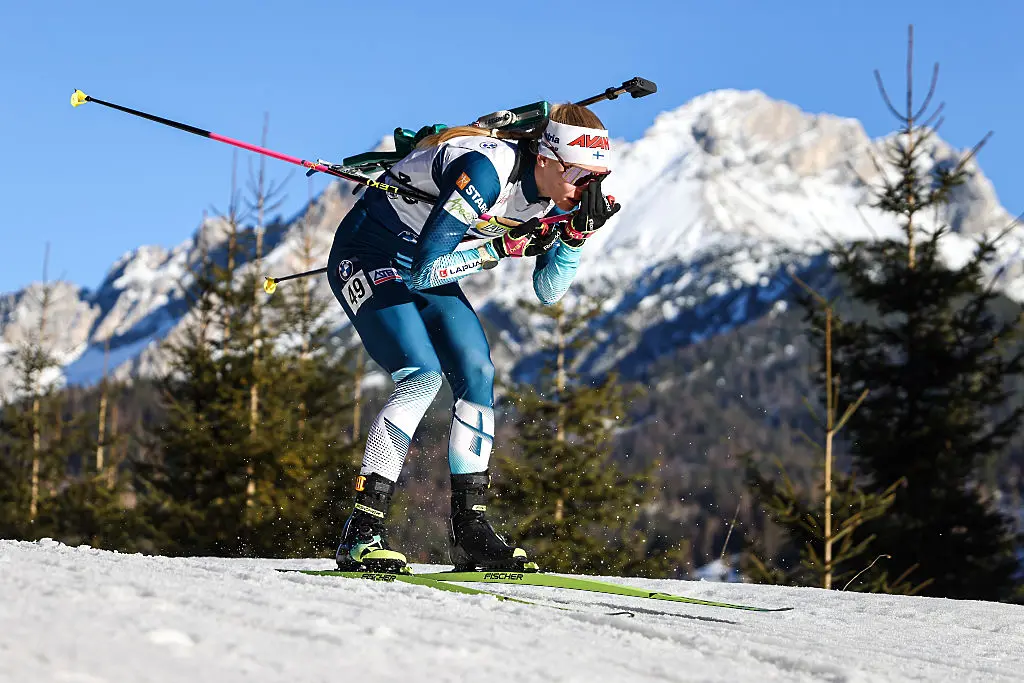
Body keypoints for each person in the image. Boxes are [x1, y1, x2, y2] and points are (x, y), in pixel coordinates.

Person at [326, 103, 621, 572]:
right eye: (582, 176)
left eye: (599, 179)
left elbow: (548, 292)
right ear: (546, 158)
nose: (590, 190)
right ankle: (361, 531)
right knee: (421, 377)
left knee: (478, 371)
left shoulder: (552, 195)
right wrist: (501, 247)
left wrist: (573, 239)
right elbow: (426, 270)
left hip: (427, 262)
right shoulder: (486, 170)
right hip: (369, 253)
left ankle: (471, 530)